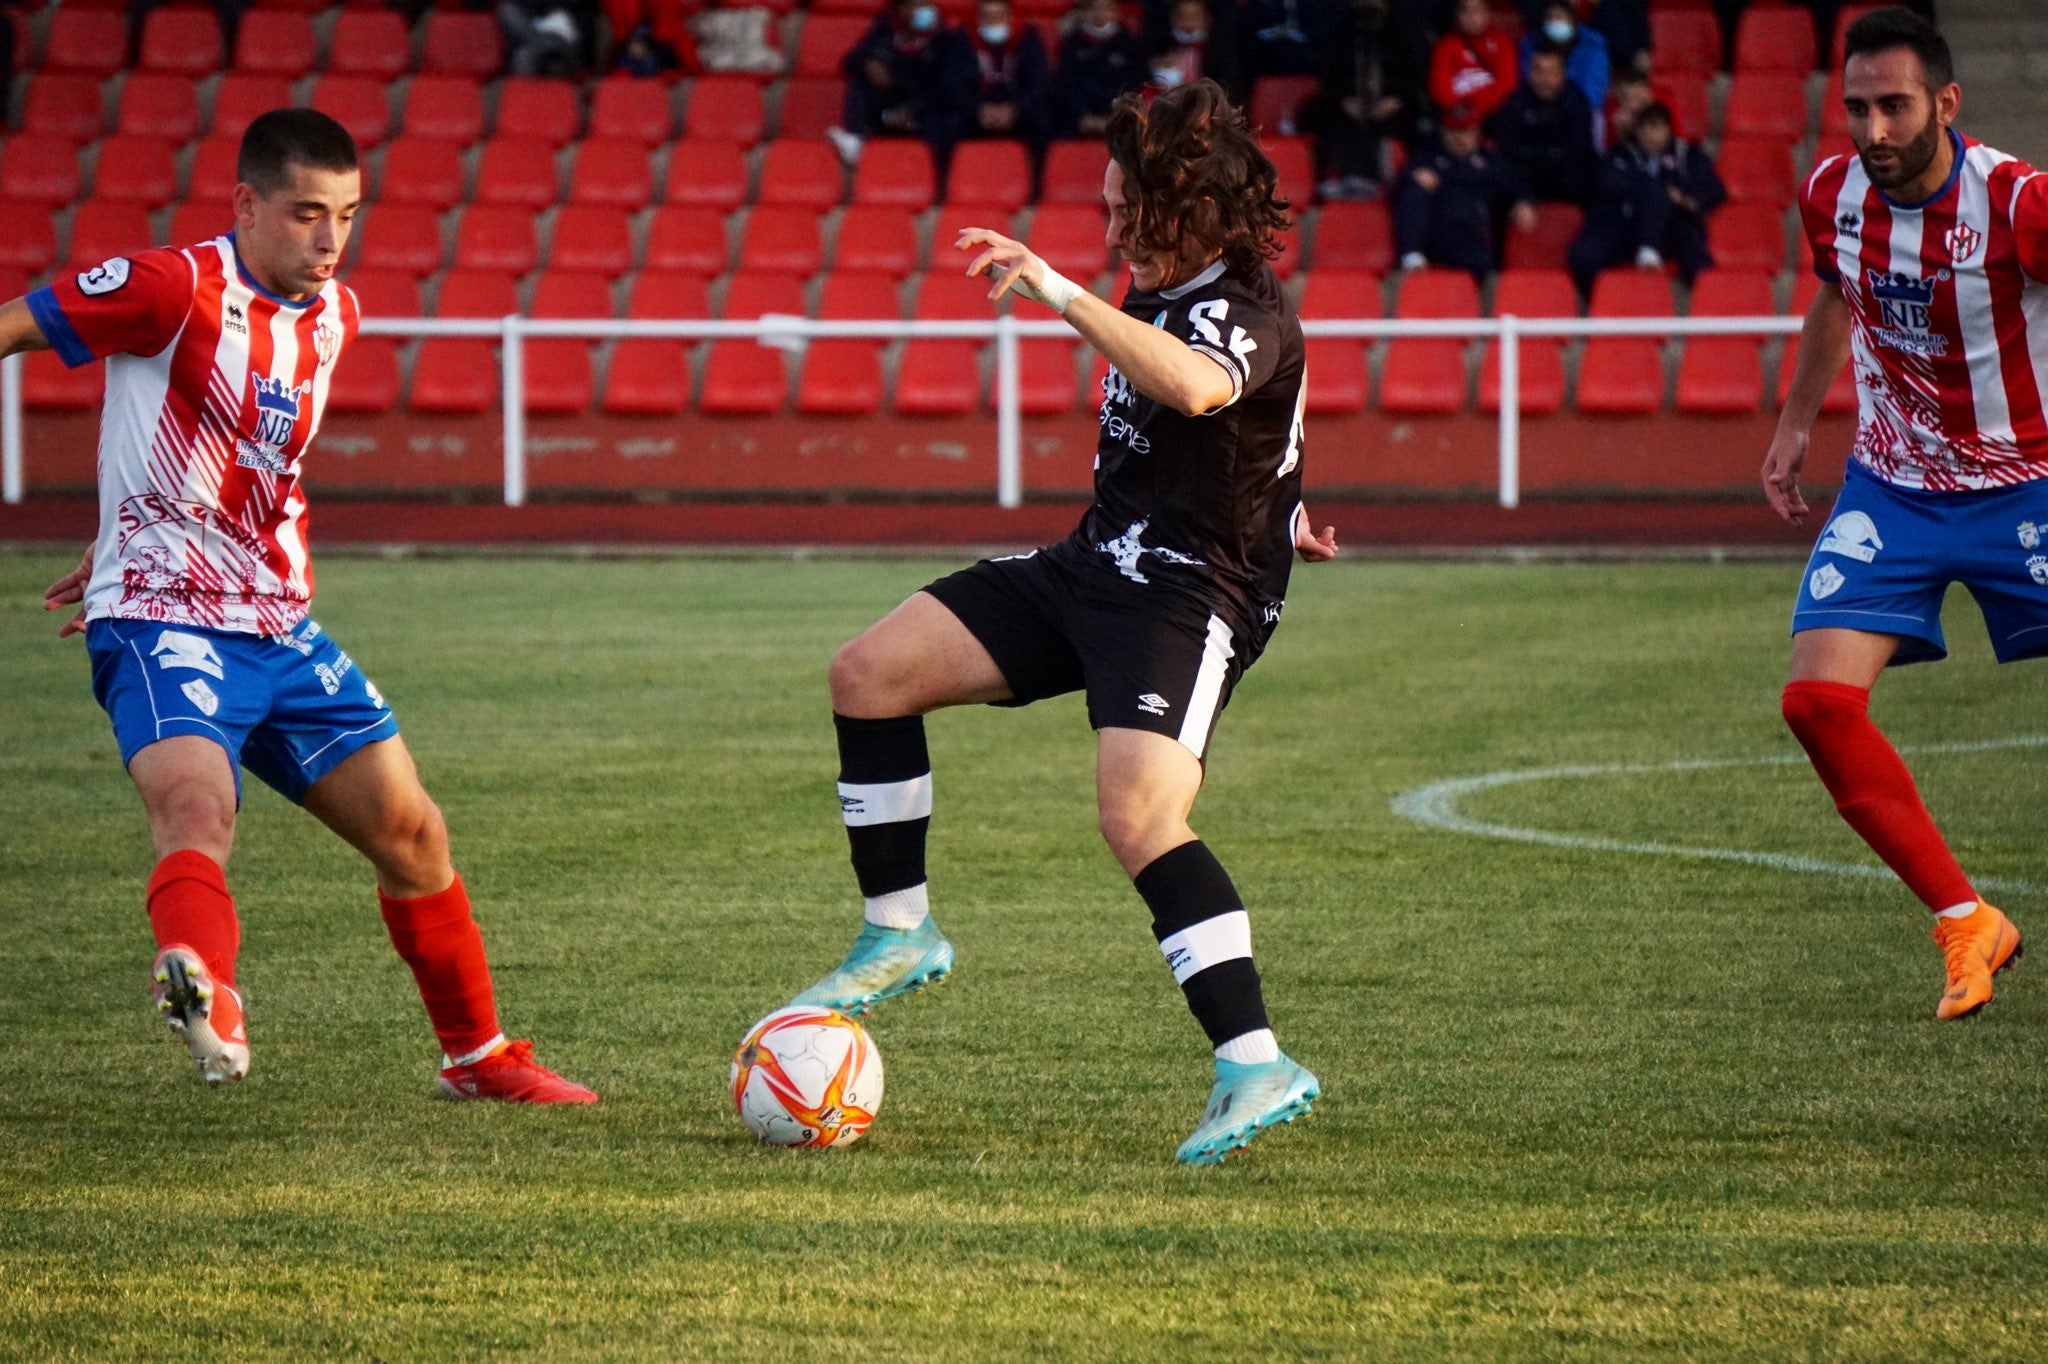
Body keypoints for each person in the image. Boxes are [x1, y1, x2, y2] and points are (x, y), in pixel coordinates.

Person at [785, 78, 1339, 1166]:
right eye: (1108, 207)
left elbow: (1196, 388)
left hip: (1188, 596)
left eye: (1128, 209)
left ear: (1194, 212)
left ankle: (1254, 1062)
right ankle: (900, 933)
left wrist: (1057, 288)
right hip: (1096, 562)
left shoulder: (1241, 303)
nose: (1113, 228)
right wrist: (1287, 498)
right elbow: (1249, 425)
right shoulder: (1165, 288)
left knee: (1138, 819)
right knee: (868, 672)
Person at [14, 110, 596, 1104]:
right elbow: (17, 324)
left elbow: (238, 459)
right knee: (198, 805)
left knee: (413, 833)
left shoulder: (337, 316)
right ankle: (207, 991)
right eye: (306, 215)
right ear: (245, 204)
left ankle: (478, 1056)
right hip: (161, 617)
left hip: (278, 622)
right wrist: (129, 549)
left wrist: (123, 519)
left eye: (348, 216)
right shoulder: (173, 286)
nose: (330, 241)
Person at [1764, 7, 2045, 1020]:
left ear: (1944, 104)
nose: (1871, 131)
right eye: (1855, 109)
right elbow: (1835, 296)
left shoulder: (2017, 204)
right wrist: (1796, 421)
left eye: (1893, 107)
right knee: (1814, 705)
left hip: (2028, 485)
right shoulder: (1829, 194)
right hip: (1892, 488)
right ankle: (1963, 917)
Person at [1566, 101, 1723, 294]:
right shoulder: (1619, 156)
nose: (1651, 134)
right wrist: (1652, 189)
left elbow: (1714, 189)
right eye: (1645, 127)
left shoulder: (1688, 156)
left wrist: (1685, 200)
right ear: (1637, 131)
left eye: (1657, 126)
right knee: (1582, 256)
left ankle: (1714, 310)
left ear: (1668, 130)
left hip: (1673, 229)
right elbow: (1606, 182)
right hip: (1625, 226)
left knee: (1699, 263)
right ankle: (1602, 305)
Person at [1305, 0, 1431, 200]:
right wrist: (1344, 101)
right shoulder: (1339, 30)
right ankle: (1347, 179)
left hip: (1395, 106)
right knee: (1319, 113)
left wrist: (1398, 100)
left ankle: (1394, 182)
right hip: (1349, 106)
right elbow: (1328, 76)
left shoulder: (1405, 29)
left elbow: (1417, 75)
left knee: (1418, 122)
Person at [1393, 109, 1536, 278]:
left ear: (1477, 132)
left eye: (1465, 132)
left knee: (1483, 262)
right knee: (1416, 189)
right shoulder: (1427, 157)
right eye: (1453, 131)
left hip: (1472, 234)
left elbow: (1516, 185)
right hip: (1436, 232)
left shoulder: (1490, 161)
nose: (1459, 138)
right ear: (1443, 132)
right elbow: (1398, 192)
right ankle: (1412, 255)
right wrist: (1413, 178)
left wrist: (1523, 201)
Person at [835, 0, 978, 167]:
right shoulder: (883, 32)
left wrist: (913, 110)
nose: (923, 10)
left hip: (928, 109)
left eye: (926, 4)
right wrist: (868, 62)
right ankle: (855, 140)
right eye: (915, 5)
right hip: (891, 107)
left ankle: (936, 172)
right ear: (898, 12)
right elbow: (849, 63)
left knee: (951, 115)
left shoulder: (948, 38)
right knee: (861, 82)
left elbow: (950, 87)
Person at [1489, 42, 1597, 205]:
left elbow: (1579, 150)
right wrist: (1522, 196)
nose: (1544, 79)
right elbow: (1507, 153)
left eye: (1551, 72)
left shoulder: (1576, 102)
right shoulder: (1515, 103)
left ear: (1563, 74)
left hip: (1566, 181)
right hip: (1525, 178)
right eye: (1538, 71)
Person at [1054, 0, 1146, 140]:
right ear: (1085, 12)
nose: (1100, 14)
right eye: (1094, 8)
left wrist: (1114, 117)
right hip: (1078, 121)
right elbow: (1066, 85)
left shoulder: (1130, 45)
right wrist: (1082, 116)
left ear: (1116, 11)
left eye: (1106, 8)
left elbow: (1136, 84)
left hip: (1121, 120)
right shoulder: (1071, 44)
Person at [967, 0, 1052, 150]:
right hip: (978, 105)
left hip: (1018, 104)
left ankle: (1038, 172)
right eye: (988, 16)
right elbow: (953, 84)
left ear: (1009, 17)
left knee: (1043, 121)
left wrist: (1015, 108)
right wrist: (978, 108)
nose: (993, 21)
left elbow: (1038, 82)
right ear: (979, 18)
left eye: (999, 16)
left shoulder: (1027, 37)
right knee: (949, 121)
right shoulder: (964, 38)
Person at [1428, 0, 1517, 129]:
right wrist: (1455, 106)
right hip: (1457, 115)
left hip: (1494, 113)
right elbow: (1439, 84)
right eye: (1465, 11)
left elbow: (1507, 82)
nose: (1471, 17)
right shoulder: (1445, 46)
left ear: (1487, 13)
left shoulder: (1501, 41)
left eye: (1476, 11)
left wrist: (1475, 106)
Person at [1146, 0, 1244, 104]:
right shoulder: (1160, 48)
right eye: (1183, 16)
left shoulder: (1220, 50)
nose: (1188, 21)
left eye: (1195, 15)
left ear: (1206, 18)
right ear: (1173, 17)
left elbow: (1227, 83)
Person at [1519, 0, 1608, 112]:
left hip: (1581, 111)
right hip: (1539, 109)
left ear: (1573, 21)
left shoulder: (1592, 48)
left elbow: (1593, 94)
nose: (1554, 22)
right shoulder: (1531, 45)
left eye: (1559, 17)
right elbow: (1527, 83)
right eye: (1550, 18)